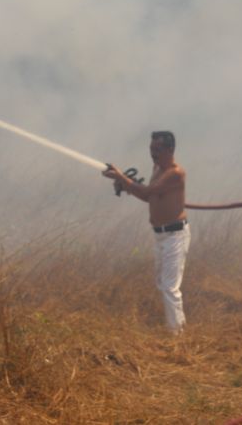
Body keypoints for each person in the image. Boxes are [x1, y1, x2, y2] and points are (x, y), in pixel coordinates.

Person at [103, 131, 190, 335]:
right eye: (151, 149)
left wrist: (121, 178)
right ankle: (178, 328)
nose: (153, 153)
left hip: (175, 235)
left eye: (157, 150)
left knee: (169, 287)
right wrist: (126, 185)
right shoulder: (157, 168)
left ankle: (177, 337)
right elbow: (149, 197)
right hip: (161, 235)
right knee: (162, 284)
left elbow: (148, 192)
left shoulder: (175, 173)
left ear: (170, 149)